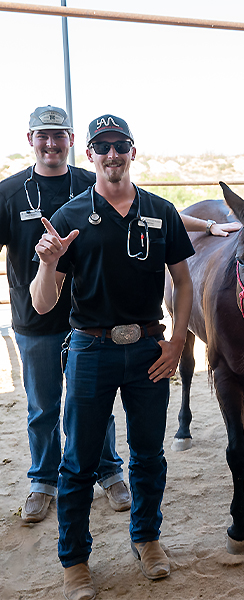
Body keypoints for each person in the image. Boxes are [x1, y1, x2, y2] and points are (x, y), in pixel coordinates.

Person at [30, 114, 194, 600]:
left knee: (149, 455)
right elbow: (43, 303)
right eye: (102, 146)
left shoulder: (161, 212)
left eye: (120, 144)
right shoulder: (69, 218)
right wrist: (48, 261)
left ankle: (147, 540)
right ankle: (75, 562)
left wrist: (179, 340)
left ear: (132, 152)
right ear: (91, 156)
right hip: (90, 348)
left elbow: (183, 281)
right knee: (78, 461)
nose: (112, 154)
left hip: (149, 350)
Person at [0, 106, 131, 523]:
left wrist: (205, 224)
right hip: (35, 319)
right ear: (31, 141)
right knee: (42, 407)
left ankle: (109, 472)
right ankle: (43, 481)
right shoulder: (9, 192)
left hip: (90, 320)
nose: (52, 143)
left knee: (95, 403)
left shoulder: (89, 182)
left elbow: (141, 208)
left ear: (73, 141)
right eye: (44, 136)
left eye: (59, 135)